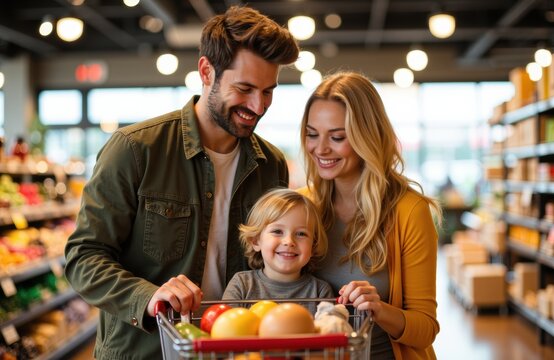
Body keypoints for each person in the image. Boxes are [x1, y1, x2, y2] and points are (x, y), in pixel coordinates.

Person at [64, 6, 299, 359]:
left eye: (268, 91)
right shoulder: (135, 149)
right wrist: (147, 296)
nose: (258, 105)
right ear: (207, 72)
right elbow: (83, 256)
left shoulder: (271, 165)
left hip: (235, 350)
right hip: (144, 351)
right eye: (245, 88)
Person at [299, 71, 442, 359]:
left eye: (337, 137)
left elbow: (426, 328)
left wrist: (379, 309)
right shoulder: (302, 207)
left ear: (367, 135)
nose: (321, 148)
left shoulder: (408, 211)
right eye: (312, 134)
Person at [222, 188, 334, 312]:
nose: (289, 241)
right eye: (277, 231)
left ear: (313, 245)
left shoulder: (320, 291)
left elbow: (330, 328)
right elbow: (226, 328)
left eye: (301, 234)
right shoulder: (242, 284)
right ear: (255, 241)